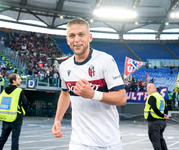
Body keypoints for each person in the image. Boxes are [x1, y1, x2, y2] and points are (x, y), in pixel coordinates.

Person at [52, 18, 127, 150]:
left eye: (81, 34)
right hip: (79, 142)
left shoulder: (105, 60)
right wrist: (57, 119)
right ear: (67, 40)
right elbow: (65, 94)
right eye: (72, 36)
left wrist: (93, 94)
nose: (77, 40)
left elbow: (121, 98)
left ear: (90, 37)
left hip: (109, 141)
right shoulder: (64, 67)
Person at [0, 73, 27, 150]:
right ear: (13, 81)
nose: (20, 80)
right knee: (15, 140)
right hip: (16, 118)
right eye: (18, 79)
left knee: (2, 139)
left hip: (6, 118)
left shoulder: (4, 91)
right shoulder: (18, 91)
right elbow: (25, 102)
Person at [144, 83, 169, 150]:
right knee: (160, 139)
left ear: (154, 89)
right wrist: (165, 116)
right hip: (161, 122)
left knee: (155, 140)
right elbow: (165, 108)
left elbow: (154, 108)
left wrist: (162, 115)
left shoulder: (152, 96)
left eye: (149, 87)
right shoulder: (160, 97)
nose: (147, 89)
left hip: (154, 122)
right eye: (147, 88)